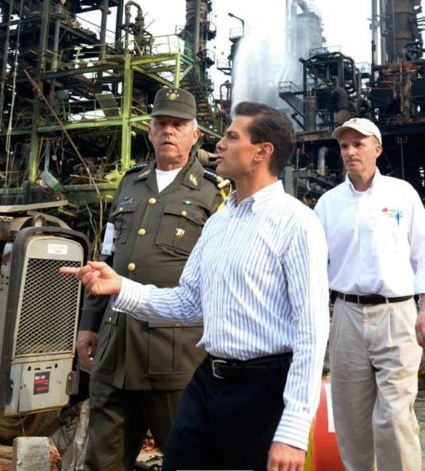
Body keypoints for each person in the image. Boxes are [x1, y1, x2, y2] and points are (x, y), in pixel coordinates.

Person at [63, 101, 329, 471]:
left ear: (262, 152)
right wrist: (121, 286)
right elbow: (189, 302)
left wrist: (294, 430)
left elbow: (312, 331)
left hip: (262, 387)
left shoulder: (296, 223)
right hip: (208, 380)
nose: (219, 144)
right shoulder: (220, 221)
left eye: (232, 137)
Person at [76, 86, 225, 471]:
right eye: (161, 123)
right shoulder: (131, 183)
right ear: (149, 129)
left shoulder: (214, 192)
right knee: (102, 460)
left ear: (196, 134)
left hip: (174, 353)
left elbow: (222, 274)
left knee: (186, 458)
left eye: (179, 124)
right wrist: (88, 325)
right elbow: (107, 255)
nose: (168, 131)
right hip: (115, 347)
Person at [314, 117, 425, 471]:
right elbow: (314, 262)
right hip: (346, 314)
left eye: (358, 144)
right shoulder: (328, 205)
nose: (350, 152)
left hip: (397, 314)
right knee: (352, 420)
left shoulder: (402, 195)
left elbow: (422, 253)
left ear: (377, 148)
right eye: (344, 146)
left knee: (393, 417)